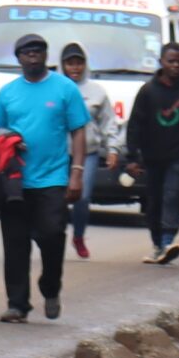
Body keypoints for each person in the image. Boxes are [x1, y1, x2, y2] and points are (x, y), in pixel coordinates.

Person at [0, 33, 87, 322]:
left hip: (53, 179)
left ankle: (50, 286)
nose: (32, 56)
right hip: (15, 181)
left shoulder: (65, 89)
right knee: (15, 243)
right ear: (18, 58)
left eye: (38, 51)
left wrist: (77, 172)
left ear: (45, 55)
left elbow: (78, 130)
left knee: (53, 236)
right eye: (26, 52)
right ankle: (17, 304)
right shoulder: (8, 93)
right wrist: (10, 138)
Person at [127, 43, 179, 264]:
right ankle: (158, 244)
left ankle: (167, 240)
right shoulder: (148, 91)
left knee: (171, 195)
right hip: (152, 156)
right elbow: (135, 124)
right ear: (161, 62)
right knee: (153, 201)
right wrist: (132, 156)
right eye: (171, 61)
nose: (175, 66)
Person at [63, 43, 118, 260]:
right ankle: (53, 235)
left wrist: (113, 148)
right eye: (70, 63)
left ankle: (78, 235)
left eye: (79, 63)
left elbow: (108, 122)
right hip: (59, 152)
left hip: (89, 152)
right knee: (55, 197)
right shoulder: (56, 87)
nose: (75, 68)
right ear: (63, 65)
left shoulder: (97, 92)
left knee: (82, 196)